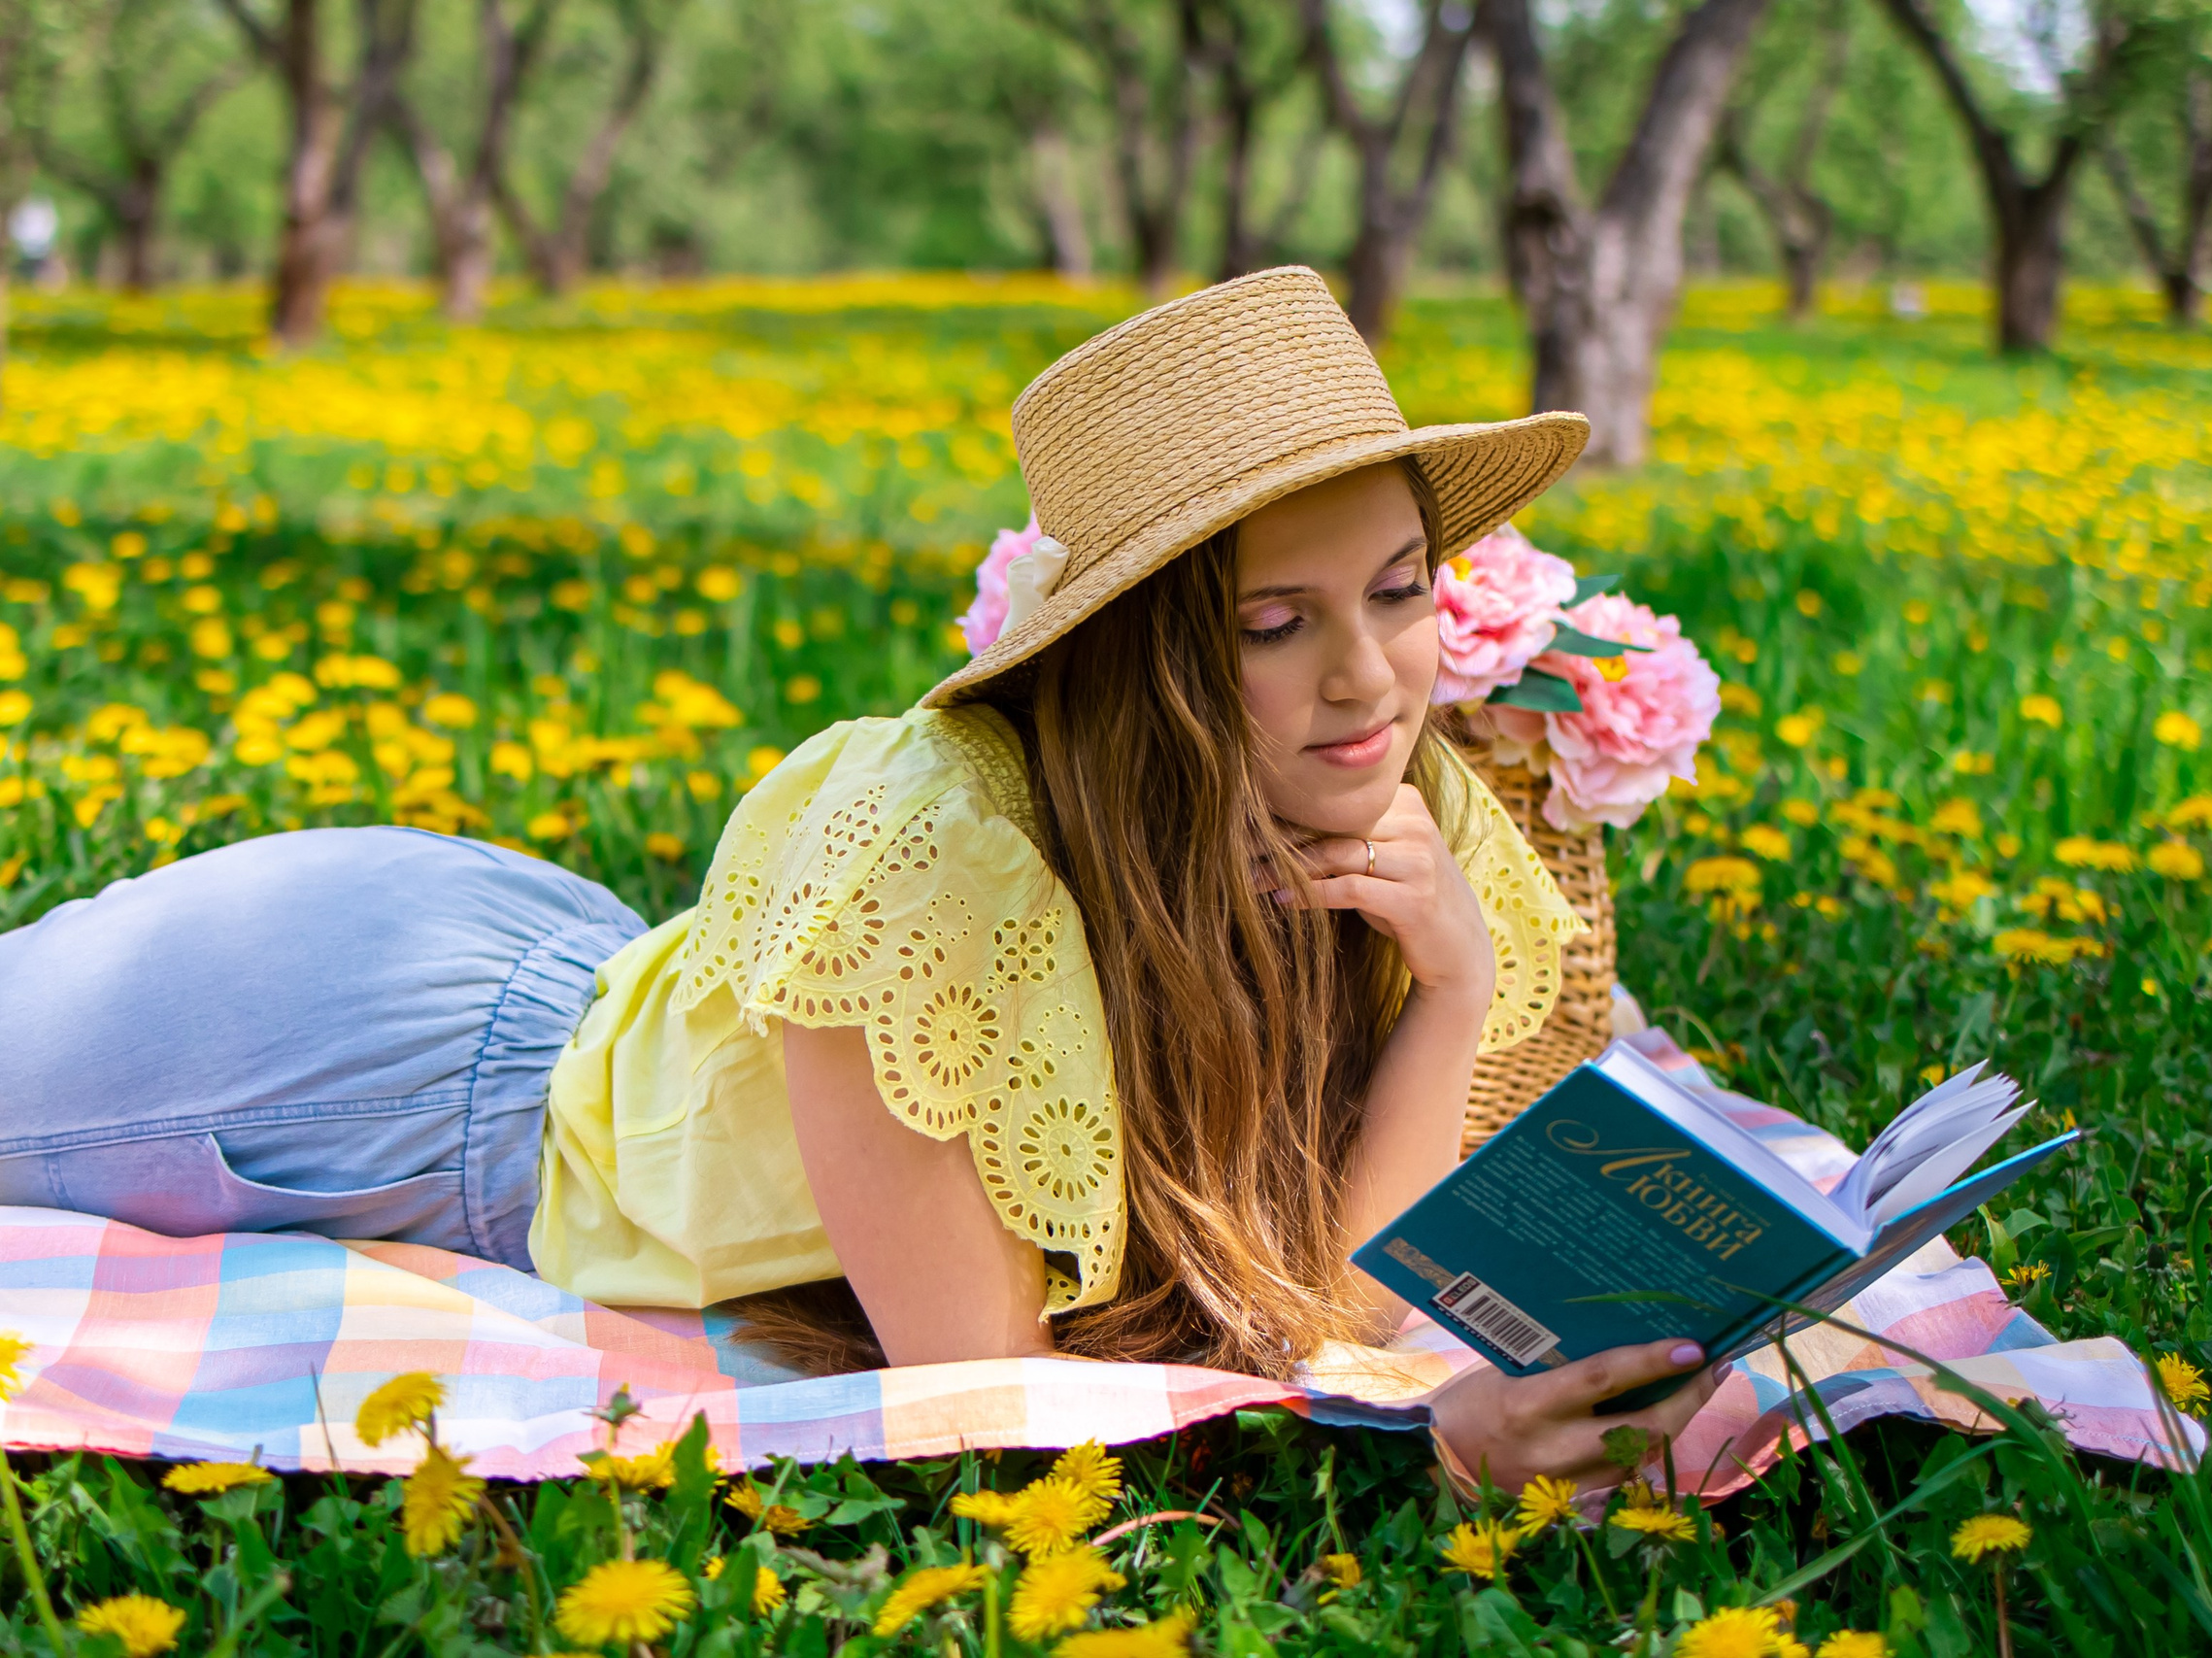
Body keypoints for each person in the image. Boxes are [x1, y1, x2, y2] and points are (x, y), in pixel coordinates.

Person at [0, 267, 1720, 1492]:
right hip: (358, 1050)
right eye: (1274, 624)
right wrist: (1426, 1457)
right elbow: (993, 1410)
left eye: (1402, 590)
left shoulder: (1381, 812)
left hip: (569, 971)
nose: (1371, 679)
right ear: (1134, 666)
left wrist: (1453, 992)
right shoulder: (925, 861)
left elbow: (1329, 1303)